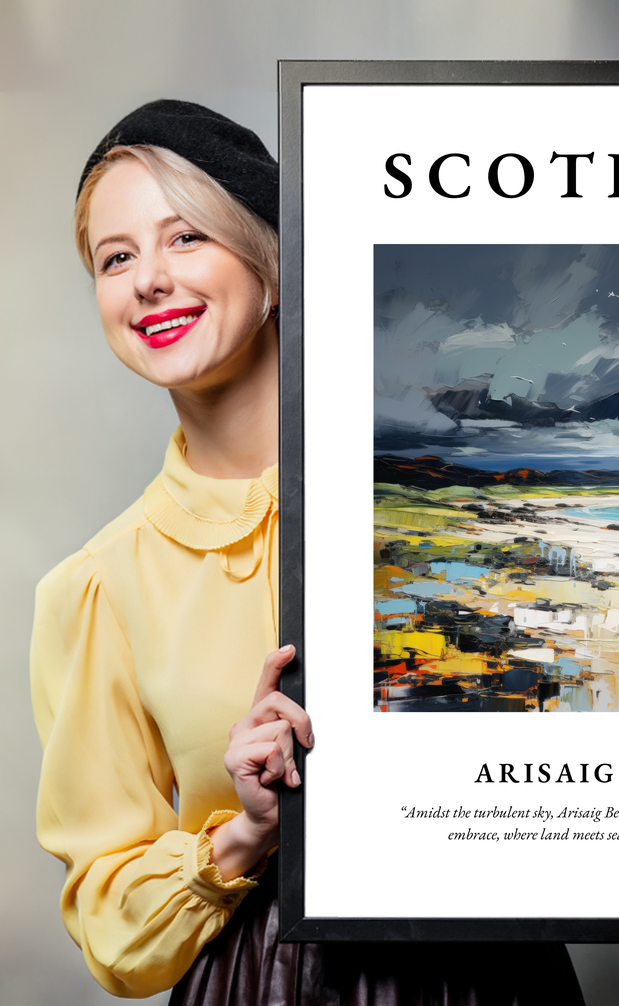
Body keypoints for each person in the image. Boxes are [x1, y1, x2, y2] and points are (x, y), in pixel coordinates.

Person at [30, 100, 585, 1004]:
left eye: (186, 239)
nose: (148, 281)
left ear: (273, 264)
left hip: (492, 973)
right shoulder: (97, 587)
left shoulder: (450, 505)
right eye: (116, 257)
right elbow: (110, 924)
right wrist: (245, 832)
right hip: (262, 981)